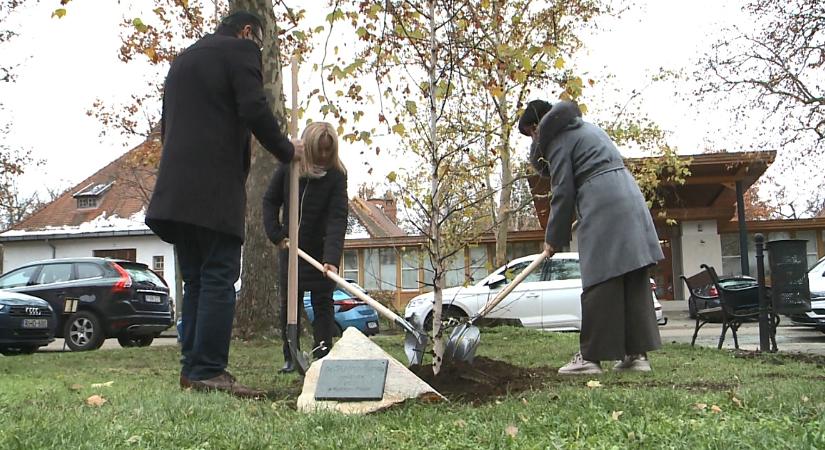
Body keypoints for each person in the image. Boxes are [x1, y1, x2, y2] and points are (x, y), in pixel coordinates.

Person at [146, 10, 303, 397]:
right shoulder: (239, 51)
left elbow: (167, 125)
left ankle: (192, 370)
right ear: (248, 31)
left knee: (197, 279)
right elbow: (254, 108)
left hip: (176, 191)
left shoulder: (183, 60)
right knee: (218, 275)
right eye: (259, 43)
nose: (258, 51)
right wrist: (288, 151)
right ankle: (209, 369)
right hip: (213, 188)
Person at [519, 100, 663, 375]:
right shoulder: (589, 130)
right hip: (628, 196)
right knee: (632, 274)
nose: (534, 140)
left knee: (600, 277)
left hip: (603, 202)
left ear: (538, 126)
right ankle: (637, 356)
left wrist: (553, 238)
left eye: (531, 133)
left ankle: (589, 357)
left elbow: (562, 190)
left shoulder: (559, 139)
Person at [262, 121, 348, 373]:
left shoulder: (336, 176)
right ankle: (290, 356)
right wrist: (276, 235)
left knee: (323, 302)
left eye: (327, 150)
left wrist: (331, 257)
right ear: (309, 148)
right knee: (290, 304)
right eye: (318, 150)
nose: (323, 155)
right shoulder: (290, 168)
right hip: (292, 250)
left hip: (321, 253)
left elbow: (337, 217)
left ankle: (323, 352)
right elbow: (269, 201)